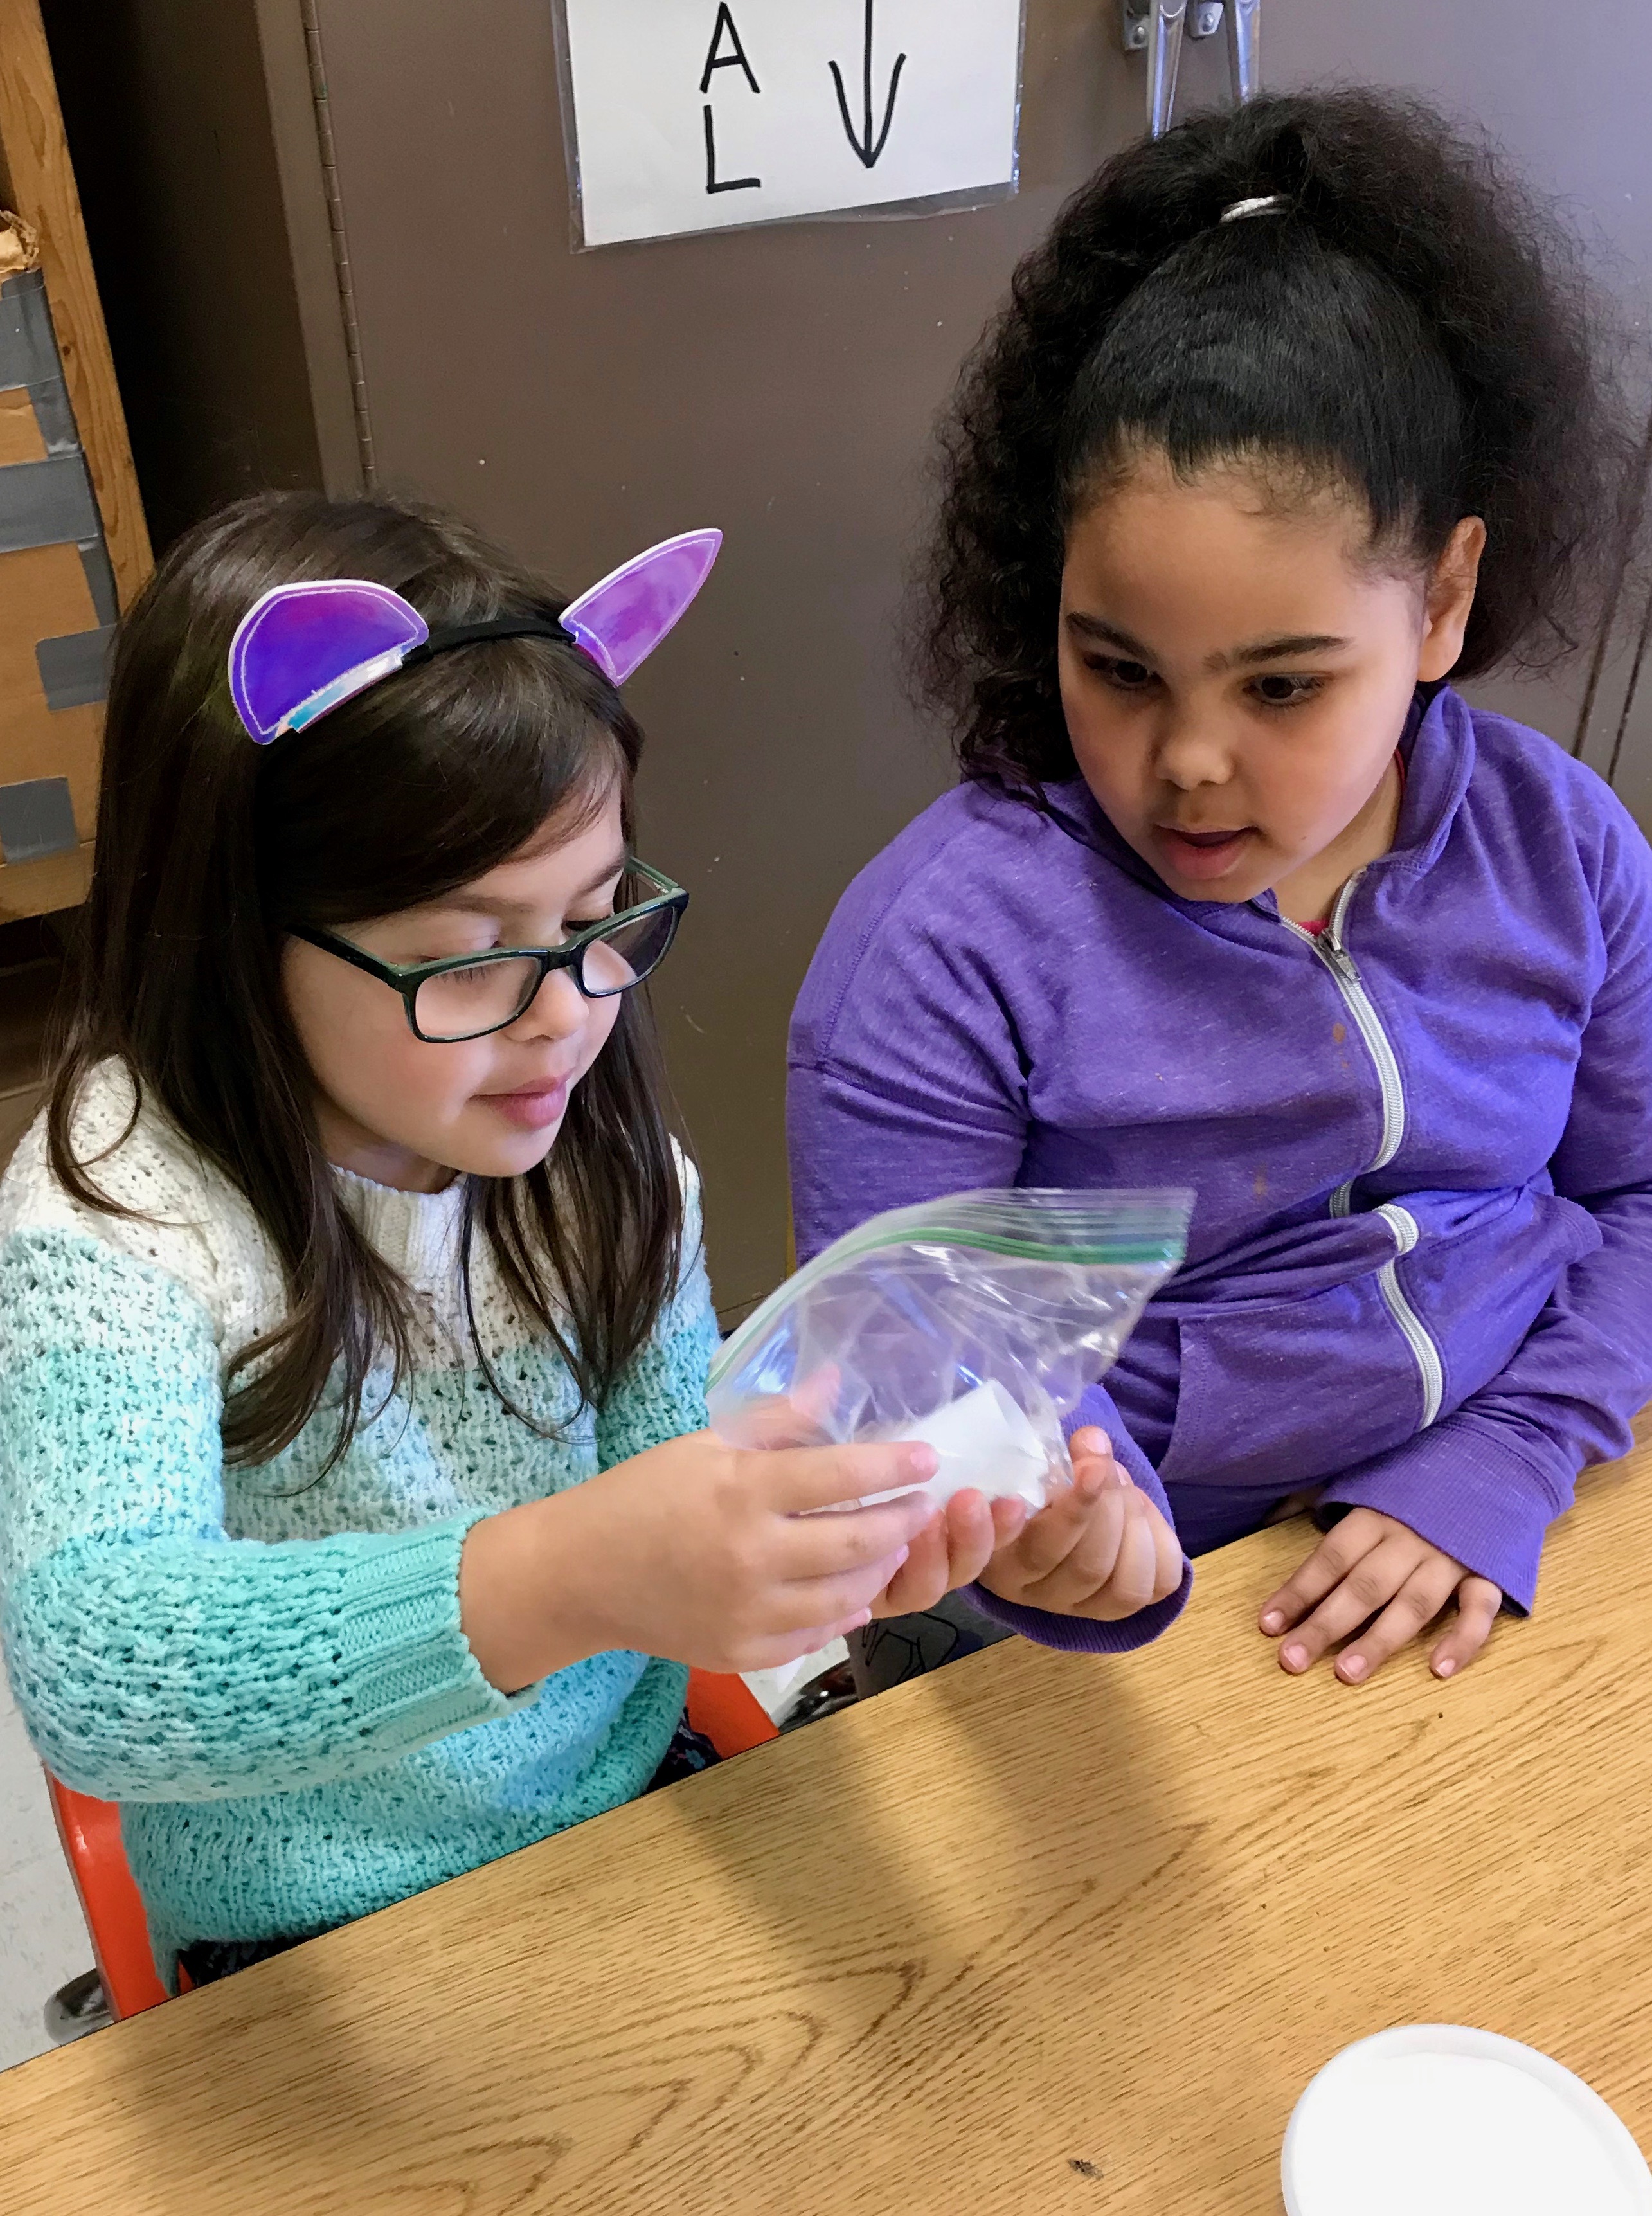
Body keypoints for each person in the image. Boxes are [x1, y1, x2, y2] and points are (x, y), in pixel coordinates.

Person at [0, 494, 1164, 1990]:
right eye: (472, 955)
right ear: (229, 934)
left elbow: (695, 1452)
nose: (569, 1012)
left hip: (621, 1806)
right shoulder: (117, 1221)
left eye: (600, 915)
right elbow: (102, 1662)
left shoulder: (598, 1158)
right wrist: (564, 1574)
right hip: (305, 1925)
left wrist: (901, 1536)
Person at [788, 90, 1652, 1692]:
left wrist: (1509, 1455)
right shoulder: (943, 954)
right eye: (1115, 668)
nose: (1185, 763)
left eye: (1280, 688)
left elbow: (1637, 1195)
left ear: (1444, 598)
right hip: (1137, 1629)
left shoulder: (1565, 846)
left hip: (1510, 1518)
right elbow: (932, 1370)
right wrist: (1087, 1546)